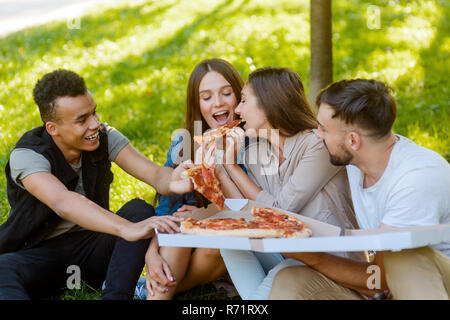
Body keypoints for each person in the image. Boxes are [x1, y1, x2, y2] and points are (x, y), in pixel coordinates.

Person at [0, 69, 192, 300]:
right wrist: (126, 228)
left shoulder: (105, 137)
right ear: (53, 128)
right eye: (82, 120)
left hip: (93, 250)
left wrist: (174, 179)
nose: (94, 124)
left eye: (94, 113)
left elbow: (155, 175)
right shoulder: (27, 155)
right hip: (41, 255)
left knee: (140, 211)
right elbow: (63, 201)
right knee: (2, 269)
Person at [269, 79, 450, 300]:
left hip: (431, 287)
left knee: (402, 258)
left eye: (323, 128)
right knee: (291, 280)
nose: (317, 134)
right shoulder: (357, 164)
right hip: (386, 288)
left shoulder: (416, 178)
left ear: (353, 140)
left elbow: (379, 281)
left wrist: (311, 256)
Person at [212, 67, 361, 300]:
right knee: (231, 241)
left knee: (286, 272)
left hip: (334, 267)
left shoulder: (316, 145)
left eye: (243, 100)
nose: (237, 110)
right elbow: (244, 216)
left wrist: (233, 168)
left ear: (269, 103)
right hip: (292, 256)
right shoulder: (258, 153)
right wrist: (223, 170)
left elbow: (281, 212)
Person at [144, 58, 245, 300]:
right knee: (179, 231)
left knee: (221, 242)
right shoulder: (185, 143)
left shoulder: (254, 140)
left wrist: (206, 214)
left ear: (239, 97)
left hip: (230, 242)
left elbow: (253, 209)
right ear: (197, 104)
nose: (218, 103)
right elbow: (168, 210)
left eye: (226, 93)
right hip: (187, 245)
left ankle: (164, 288)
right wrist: (151, 252)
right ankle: (161, 292)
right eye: (207, 97)